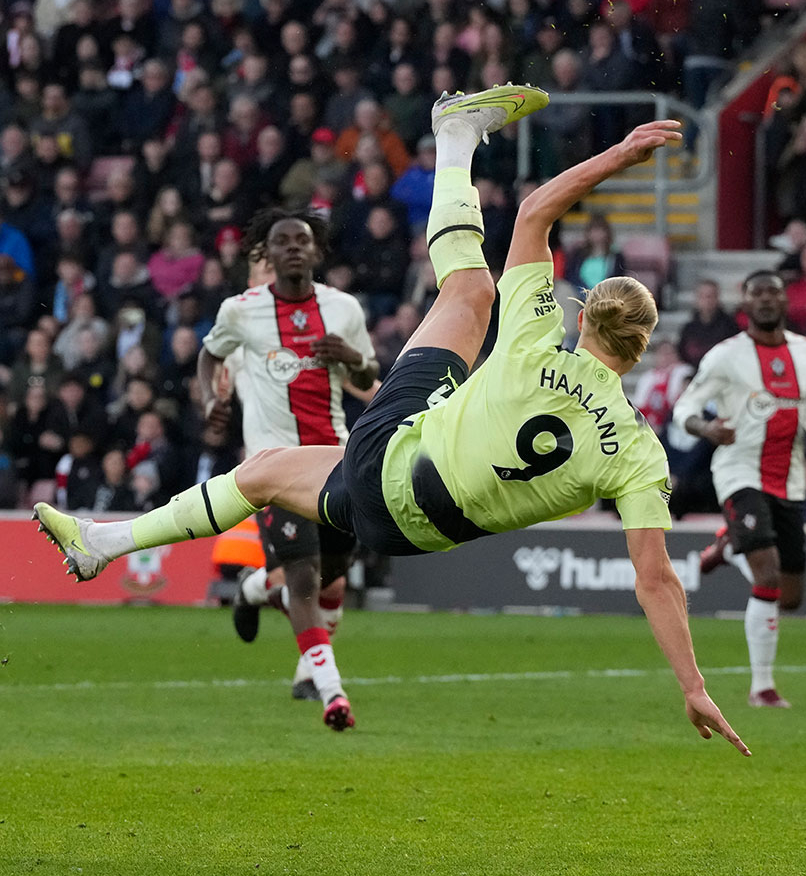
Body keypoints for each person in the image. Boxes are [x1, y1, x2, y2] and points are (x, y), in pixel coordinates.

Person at [36, 86, 749, 757]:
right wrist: (694, 685)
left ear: (584, 311)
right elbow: (656, 580)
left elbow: (534, 212)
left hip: (391, 458)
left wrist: (621, 154)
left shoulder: (536, 336)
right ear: (643, 346)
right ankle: (103, 542)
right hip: (408, 534)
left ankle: (455, 136)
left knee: (470, 288)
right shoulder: (637, 452)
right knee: (259, 476)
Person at [201, 207, 377, 702]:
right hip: (274, 465)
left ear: (317, 250)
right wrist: (212, 398)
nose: (294, 248)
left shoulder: (344, 309)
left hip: (333, 460)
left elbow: (366, 377)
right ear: (267, 255)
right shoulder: (242, 312)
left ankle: (256, 590)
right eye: (282, 242)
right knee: (303, 578)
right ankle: (329, 689)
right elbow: (211, 353)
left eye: (302, 240)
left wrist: (354, 360)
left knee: (334, 571)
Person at [672, 270, 806, 709]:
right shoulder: (726, 356)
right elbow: (684, 405)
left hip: (790, 477)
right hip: (739, 469)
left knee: (791, 598)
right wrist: (705, 427)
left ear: (784, 302)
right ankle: (762, 687)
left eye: (773, 293)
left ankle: (729, 545)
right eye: (756, 293)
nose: (765, 300)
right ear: (744, 302)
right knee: (767, 576)